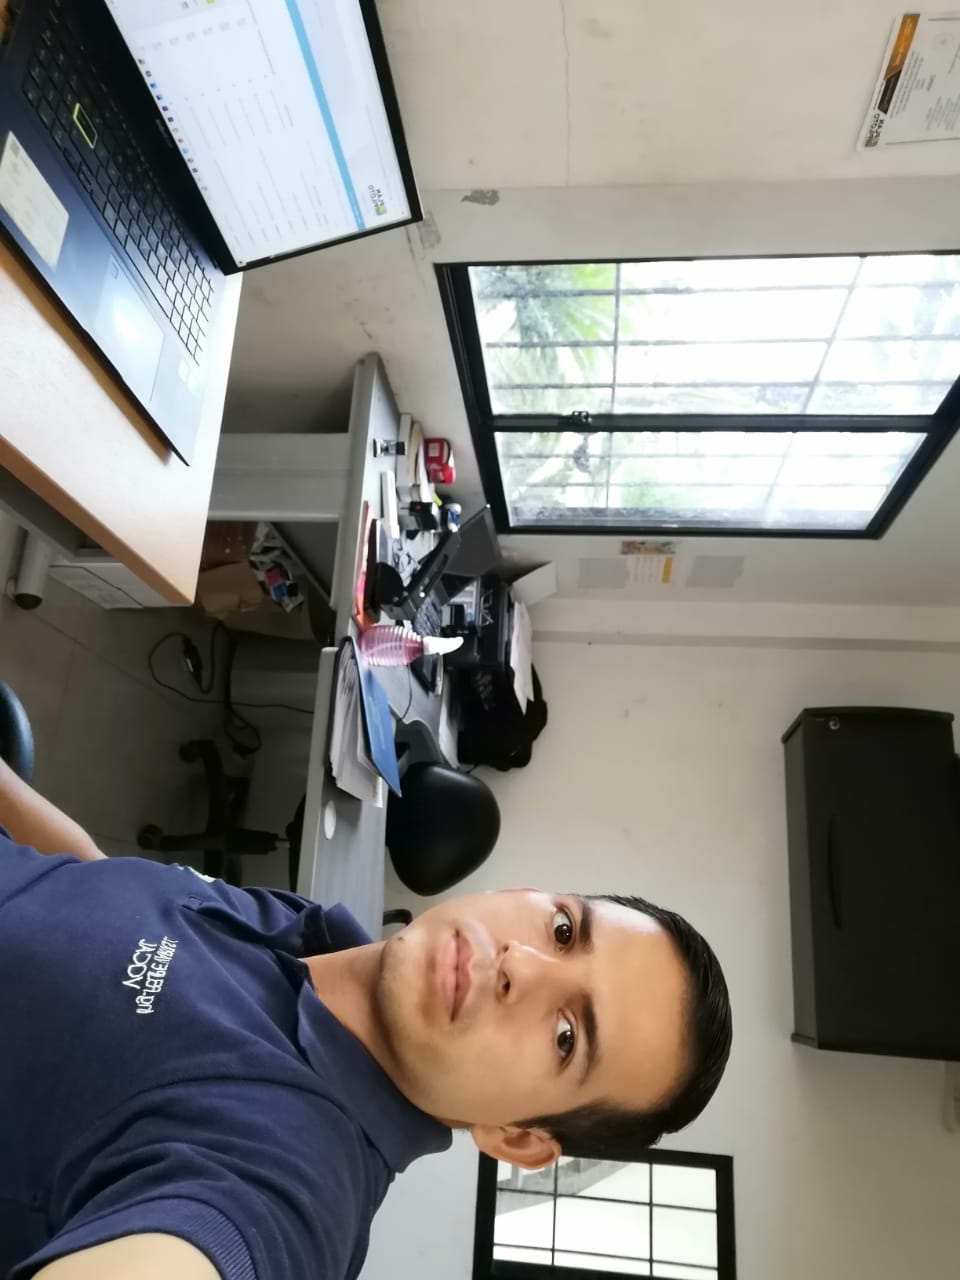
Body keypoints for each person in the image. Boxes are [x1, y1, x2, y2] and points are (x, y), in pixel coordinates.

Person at [0, 756, 732, 1280]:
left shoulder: (286, 1188)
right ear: (526, 892)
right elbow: (96, 882)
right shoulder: (321, 940)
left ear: (517, 1138)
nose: (523, 965)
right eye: (564, 930)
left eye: (567, 1036)